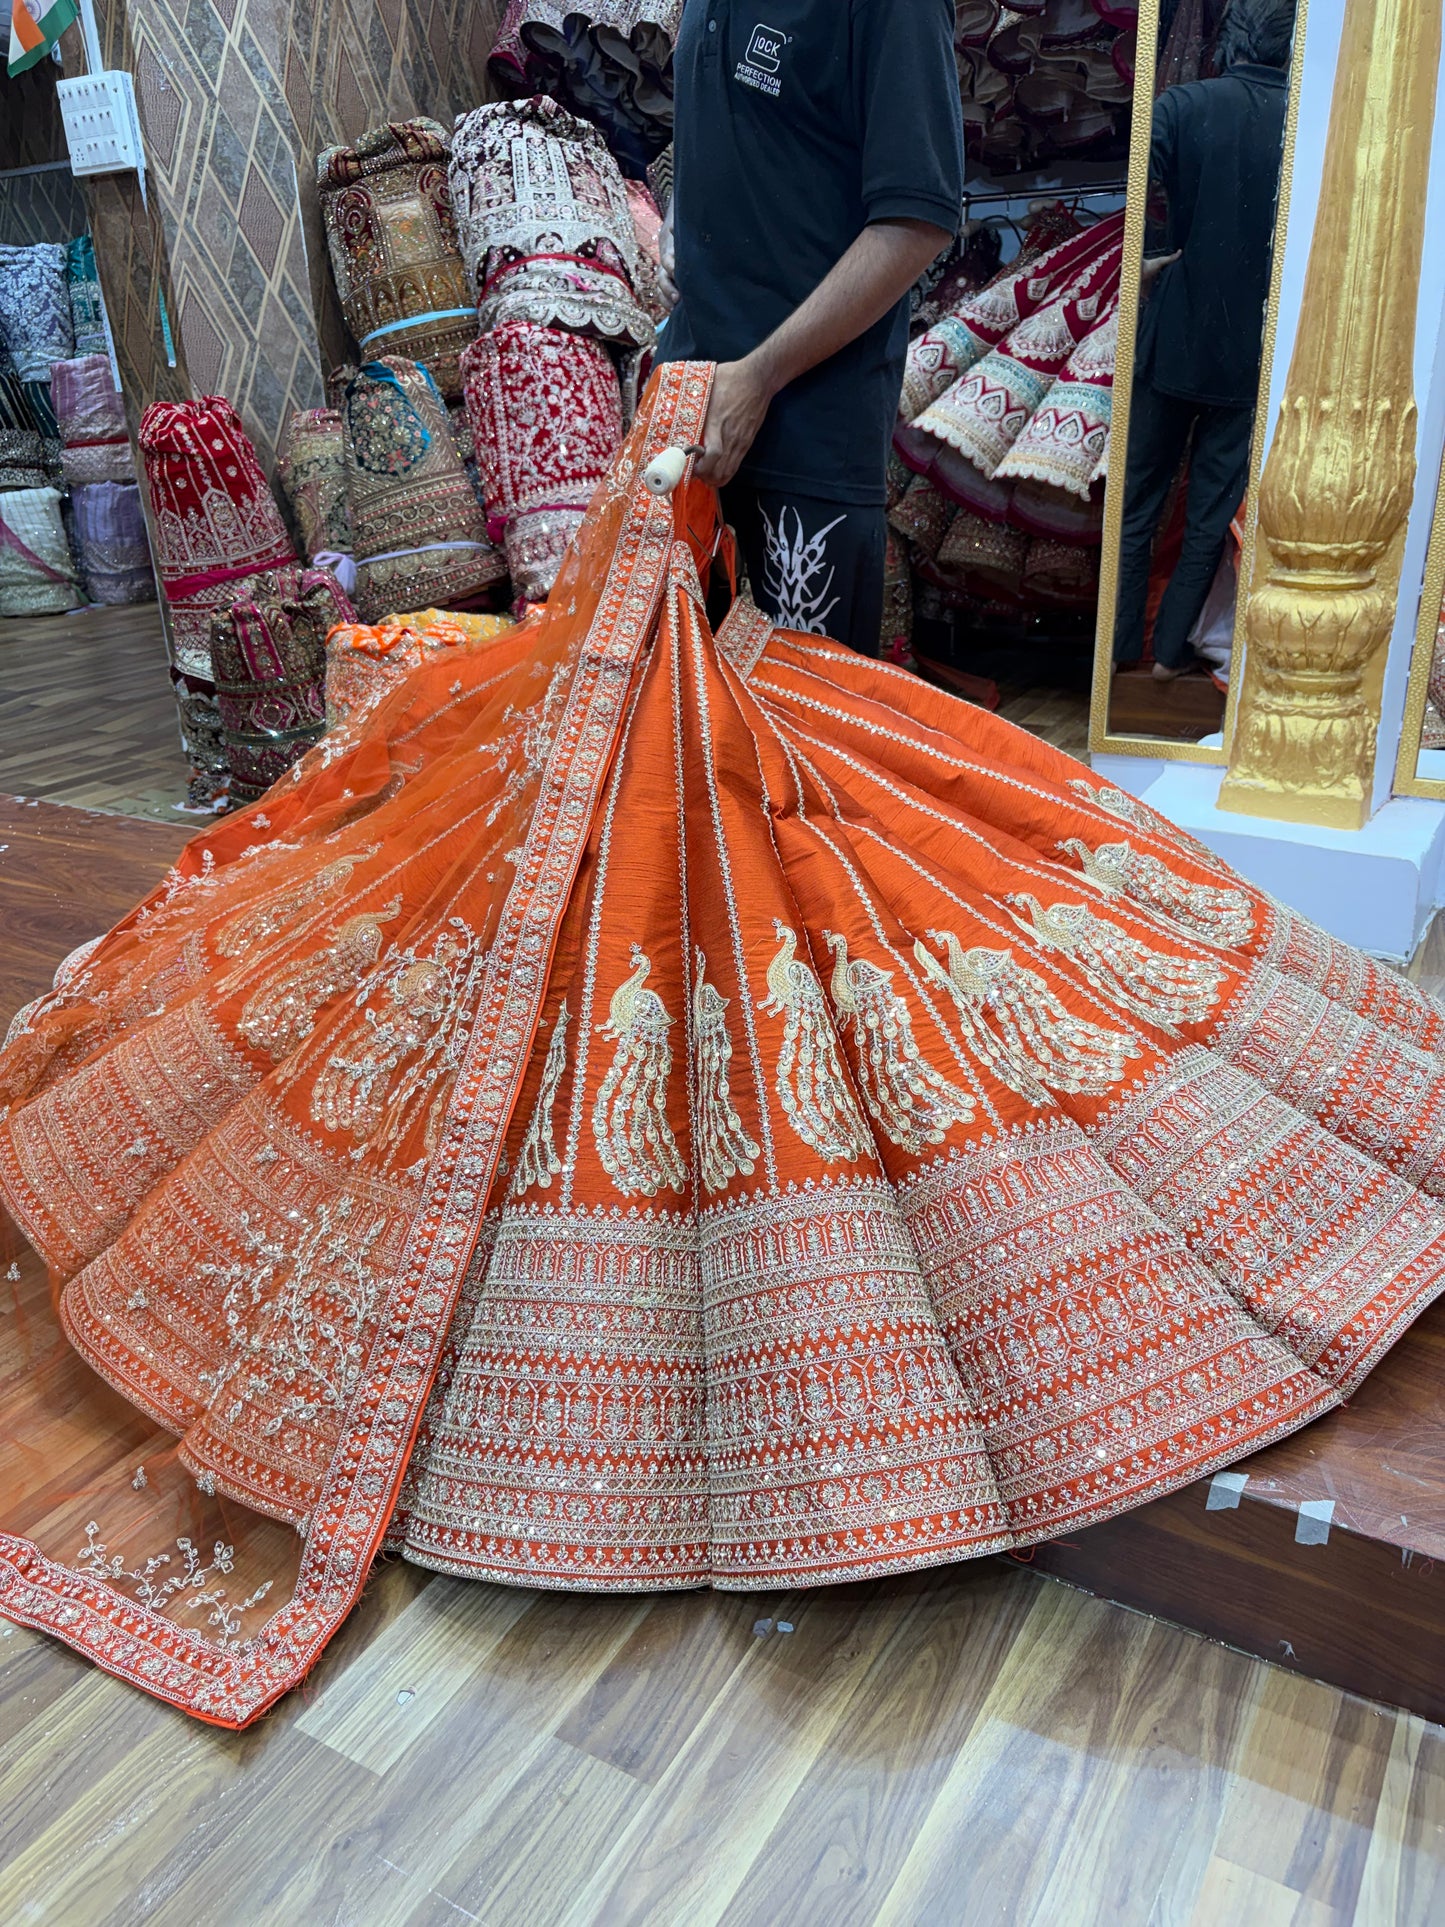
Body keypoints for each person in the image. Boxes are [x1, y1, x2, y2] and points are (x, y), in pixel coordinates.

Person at [2, 362, 1444, 1726]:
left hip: (785, 434)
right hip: (725, 435)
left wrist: (744, 379)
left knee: (885, 877)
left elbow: (904, 217)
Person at [656, 0, 964, 656]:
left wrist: (758, 377)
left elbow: (914, 223)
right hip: (689, 407)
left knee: (799, 727)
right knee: (681, 719)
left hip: (807, 433)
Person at [1112, 0, 1296, 674]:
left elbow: (1133, 201)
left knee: (1136, 505)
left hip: (1176, 331)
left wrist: (1150, 265)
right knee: (1207, 514)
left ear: (1229, 36)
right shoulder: (1308, 129)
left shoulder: (1182, 106)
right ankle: (1165, 659)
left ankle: (1115, 652)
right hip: (1253, 346)